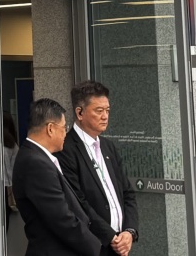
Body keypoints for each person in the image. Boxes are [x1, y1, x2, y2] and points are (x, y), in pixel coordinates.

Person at [12, 97, 117, 256]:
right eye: (64, 127)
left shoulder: (38, 157)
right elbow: (61, 218)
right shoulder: (35, 163)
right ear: (50, 129)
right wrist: (98, 249)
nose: (65, 133)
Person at [58, 81, 139, 256]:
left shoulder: (108, 147)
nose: (105, 116)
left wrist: (129, 232)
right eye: (99, 111)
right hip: (93, 246)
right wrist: (110, 237)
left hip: (120, 245)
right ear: (80, 113)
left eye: (107, 110)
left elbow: (127, 193)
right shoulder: (66, 149)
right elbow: (78, 203)